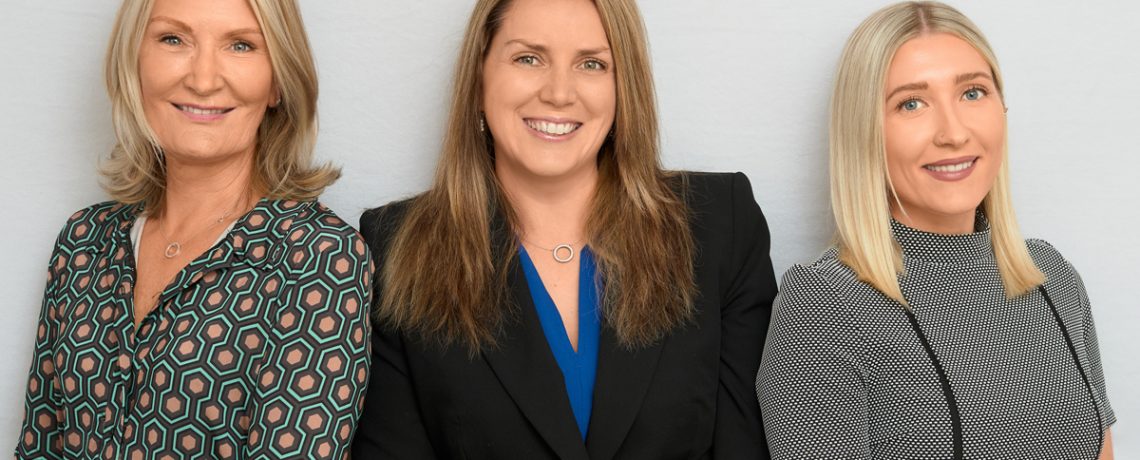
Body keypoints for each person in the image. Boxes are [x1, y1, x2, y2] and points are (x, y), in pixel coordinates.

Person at [350, 0, 777, 458]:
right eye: (528, 58)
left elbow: (745, 446)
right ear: (478, 78)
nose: (558, 93)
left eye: (591, 64)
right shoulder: (394, 246)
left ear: (623, 86)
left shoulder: (720, 226)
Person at [14, 0, 372, 458]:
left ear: (277, 82)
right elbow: (39, 445)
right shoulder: (83, 242)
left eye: (241, 45)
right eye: (173, 39)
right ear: (134, 63)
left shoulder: (320, 259)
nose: (203, 79)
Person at [756, 2, 1114, 459]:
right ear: (863, 131)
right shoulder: (825, 305)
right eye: (911, 103)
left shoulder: (1051, 276)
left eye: (972, 93)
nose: (953, 132)